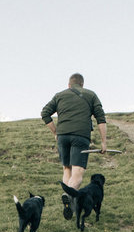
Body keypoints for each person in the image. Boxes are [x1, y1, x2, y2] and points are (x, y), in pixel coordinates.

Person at [41, 73, 107, 220]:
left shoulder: (59, 95)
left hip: (63, 136)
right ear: (82, 84)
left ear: (69, 85)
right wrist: (103, 142)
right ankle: (68, 195)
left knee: (67, 169)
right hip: (80, 137)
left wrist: (56, 132)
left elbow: (45, 113)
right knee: (78, 173)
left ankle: (69, 203)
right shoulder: (91, 95)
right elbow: (101, 119)